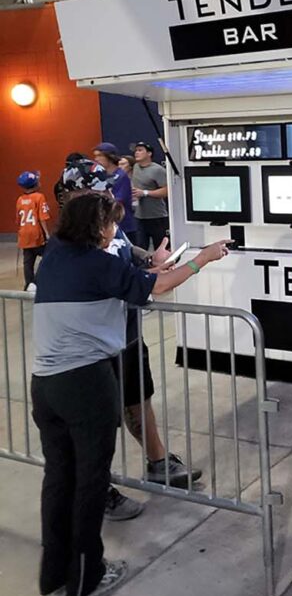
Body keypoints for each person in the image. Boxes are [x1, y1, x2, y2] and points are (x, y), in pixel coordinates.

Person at [31, 190, 230, 596]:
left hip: (45, 385)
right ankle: (86, 578)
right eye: (109, 225)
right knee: (90, 481)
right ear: (94, 227)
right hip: (85, 384)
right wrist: (204, 257)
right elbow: (159, 286)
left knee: (59, 479)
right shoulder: (97, 262)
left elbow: (134, 277)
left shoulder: (55, 258)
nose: (113, 232)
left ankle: (54, 579)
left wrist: (152, 264)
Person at [59, 158, 202, 521]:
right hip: (95, 346)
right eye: (94, 187)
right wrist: (197, 262)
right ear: (74, 194)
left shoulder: (106, 223)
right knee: (97, 423)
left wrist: (152, 260)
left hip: (127, 335)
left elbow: (127, 257)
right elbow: (128, 279)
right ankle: (97, 489)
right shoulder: (75, 242)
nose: (104, 193)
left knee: (139, 399)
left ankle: (158, 462)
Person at [93, 142, 138, 242]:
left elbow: (118, 199)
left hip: (123, 225)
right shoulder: (101, 176)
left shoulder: (121, 176)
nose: (96, 159)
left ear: (110, 157)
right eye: (95, 156)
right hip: (107, 226)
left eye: (100, 156)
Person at [15, 171, 50, 289]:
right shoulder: (39, 197)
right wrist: (47, 234)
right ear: (36, 184)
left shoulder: (19, 199)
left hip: (24, 234)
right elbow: (42, 218)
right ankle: (37, 281)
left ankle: (28, 284)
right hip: (37, 234)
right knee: (47, 256)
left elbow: (18, 220)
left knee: (28, 261)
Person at [131, 142, 168, 251]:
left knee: (160, 249)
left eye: (140, 150)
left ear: (149, 153)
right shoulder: (135, 167)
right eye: (136, 150)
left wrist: (145, 193)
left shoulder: (158, 170)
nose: (136, 153)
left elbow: (167, 191)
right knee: (140, 249)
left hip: (156, 216)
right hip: (139, 216)